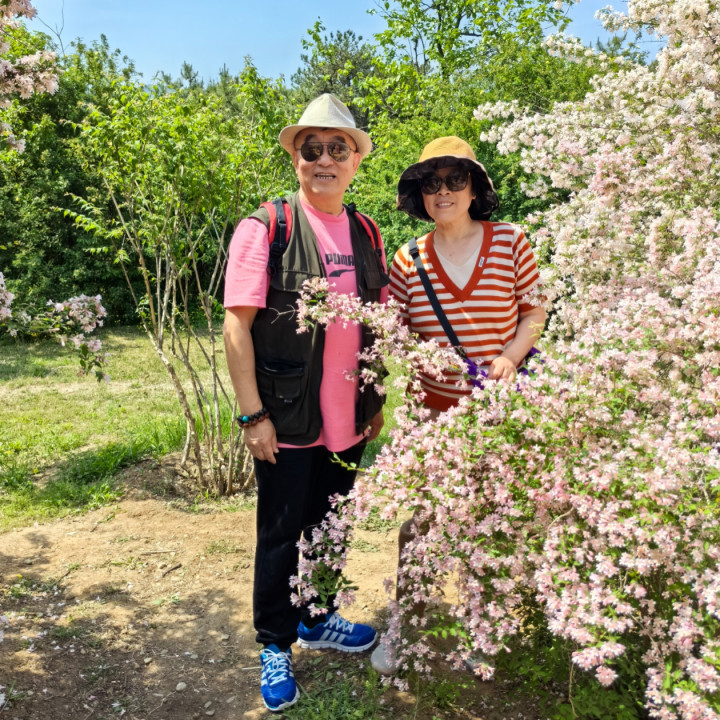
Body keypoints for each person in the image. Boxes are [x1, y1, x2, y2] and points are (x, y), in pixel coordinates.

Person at [223, 93, 388, 712]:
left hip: (349, 420)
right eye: (311, 148)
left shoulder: (367, 231)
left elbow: (376, 324)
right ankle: (275, 642)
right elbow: (236, 326)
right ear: (296, 158)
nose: (325, 159)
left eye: (337, 149)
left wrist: (374, 399)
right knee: (280, 535)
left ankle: (317, 618)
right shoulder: (267, 227)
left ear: (354, 160)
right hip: (285, 419)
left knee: (329, 525)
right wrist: (252, 415)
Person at [370, 136, 546, 674]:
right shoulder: (408, 259)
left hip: (497, 414)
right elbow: (393, 333)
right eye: (431, 182)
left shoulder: (511, 241)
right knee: (421, 524)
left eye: (455, 180)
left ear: (475, 189)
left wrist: (510, 357)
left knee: (490, 521)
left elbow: (534, 313)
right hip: (433, 416)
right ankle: (406, 627)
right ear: (420, 194)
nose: (442, 191)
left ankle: (482, 629)